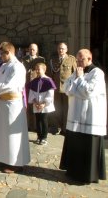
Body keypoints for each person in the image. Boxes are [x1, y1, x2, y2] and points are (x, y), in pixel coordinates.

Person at [0, 42, 30, 173]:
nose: (0, 57)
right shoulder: (3, 66)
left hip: (13, 103)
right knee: (1, 132)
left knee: (12, 135)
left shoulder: (18, 67)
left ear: (9, 52)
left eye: (2, 54)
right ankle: (0, 157)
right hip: (3, 102)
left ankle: (15, 163)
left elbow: (11, 85)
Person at [59, 49, 106, 184]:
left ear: (89, 59)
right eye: (78, 60)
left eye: (82, 60)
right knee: (76, 144)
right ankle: (74, 172)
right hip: (75, 115)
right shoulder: (76, 71)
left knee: (88, 146)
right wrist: (77, 83)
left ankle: (87, 176)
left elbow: (88, 92)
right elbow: (66, 89)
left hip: (90, 117)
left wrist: (79, 80)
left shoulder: (97, 73)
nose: (79, 62)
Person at [49, 42, 77, 135]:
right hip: (56, 89)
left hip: (67, 89)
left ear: (66, 49)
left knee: (67, 109)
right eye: (59, 49)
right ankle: (56, 127)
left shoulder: (71, 59)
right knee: (57, 109)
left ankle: (65, 128)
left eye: (63, 49)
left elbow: (75, 74)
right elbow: (51, 75)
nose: (61, 50)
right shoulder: (53, 60)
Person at [28, 62, 56, 145]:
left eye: (38, 69)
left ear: (44, 69)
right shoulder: (34, 81)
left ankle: (44, 137)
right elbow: (32, 93)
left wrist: (44, 103)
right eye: (36, 69)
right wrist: (35, 102)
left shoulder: (48, 80)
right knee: (38, 120)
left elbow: (50, 93)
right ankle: (39, 136)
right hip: (36, 104)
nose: (36, 70)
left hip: (45, 105)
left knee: (44, 120)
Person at [21, 43, 46, 131]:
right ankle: (28, 125)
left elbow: (44, 72)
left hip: (37, 85)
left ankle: (36, 126)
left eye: (34, 49)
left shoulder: (41, 59)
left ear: (37, 50)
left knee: (36, 104)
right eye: (30, 49)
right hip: (27, 85)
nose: (32, 51)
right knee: (28, 105)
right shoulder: (24, 59)